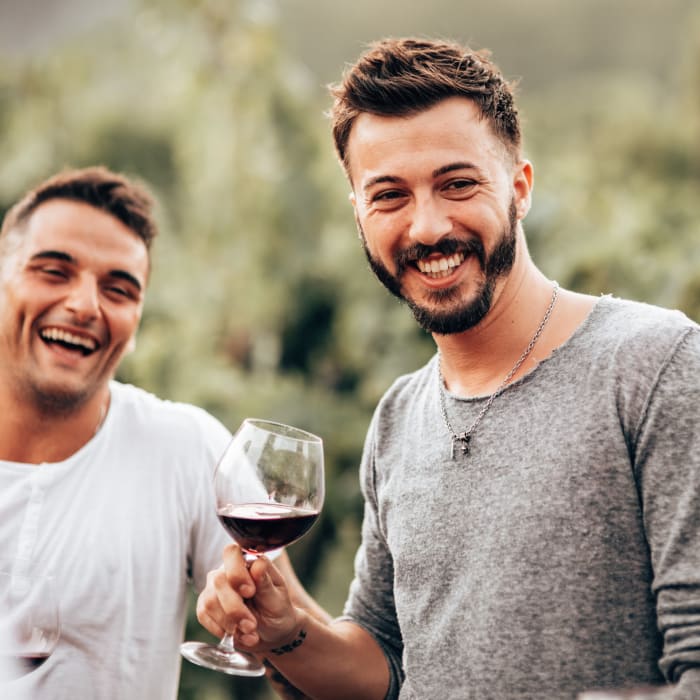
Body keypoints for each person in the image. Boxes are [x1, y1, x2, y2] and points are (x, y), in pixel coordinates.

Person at [195, 37, 700, 700]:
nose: (427, 227)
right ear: (358, 215)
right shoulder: (400, 417)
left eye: (458, 184)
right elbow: (386, 667)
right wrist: (289, 633)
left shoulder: (655, 364)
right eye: (389, 196)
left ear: (519, 187)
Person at [0, 166, 327, 699]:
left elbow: (311, 677)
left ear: (136, 323)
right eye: (53, 271)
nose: (85, 305)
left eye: (119, 288)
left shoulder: (185, 449)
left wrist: (275, 637)